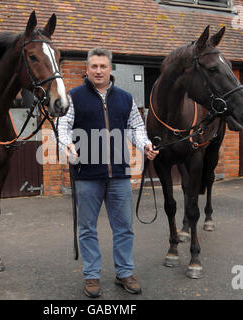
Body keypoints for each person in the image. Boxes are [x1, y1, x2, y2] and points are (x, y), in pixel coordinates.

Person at [56, 48, 158, 298]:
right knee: (87, 228)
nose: (99, 71)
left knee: (124, 227)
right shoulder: (74, 96)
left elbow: (136, 127)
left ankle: (124, 272)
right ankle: (92, 275)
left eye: (103, 66)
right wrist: (66, 144)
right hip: (87, 175)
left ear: (110, 69)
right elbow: (63, 127)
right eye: (94, 66)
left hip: (120, 176)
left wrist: (144, 144)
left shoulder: (125, 98)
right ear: (87, 69)